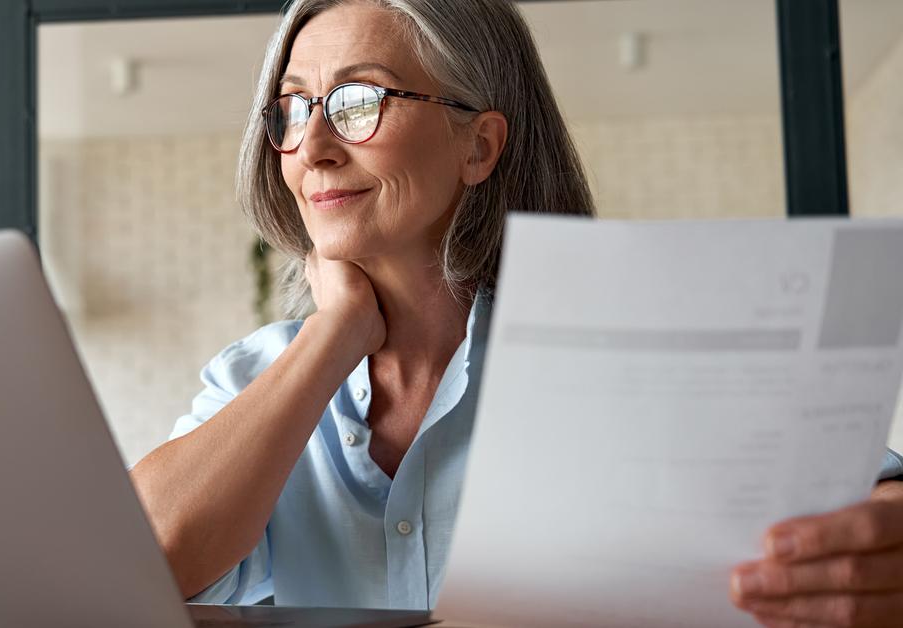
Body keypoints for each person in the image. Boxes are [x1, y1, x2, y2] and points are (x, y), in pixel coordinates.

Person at [129, 1, 903, 625]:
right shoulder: (251, 377)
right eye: (293, 110)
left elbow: (866, 501)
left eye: (358, 101)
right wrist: (335, 335)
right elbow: (140, 562)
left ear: (480, 146)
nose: (315, 146)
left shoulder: (622, 350)